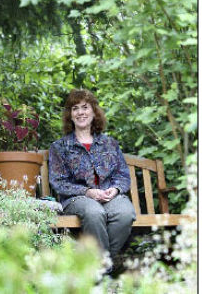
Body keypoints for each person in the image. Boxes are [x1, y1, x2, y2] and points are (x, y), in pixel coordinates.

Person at [49, 89, 136, 272]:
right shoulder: (59, 147)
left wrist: (116, 190)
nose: (80, 112)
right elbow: (58, 182)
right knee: (94, 212)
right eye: (75, 108)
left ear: (94, 112)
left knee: (125, 213)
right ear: (70, 115)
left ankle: (98, 265)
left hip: (108, 195)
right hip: (77, 199)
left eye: (85, 107)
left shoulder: (110, 144)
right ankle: (103, 271)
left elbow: (122, 175)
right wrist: (87, 192)